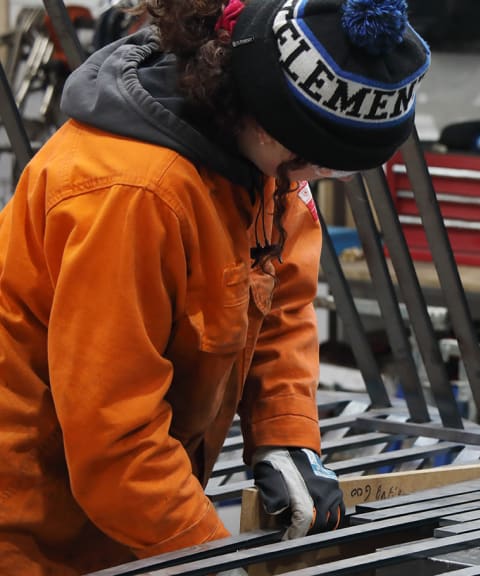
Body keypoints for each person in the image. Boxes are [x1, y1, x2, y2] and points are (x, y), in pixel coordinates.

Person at [0, 0, 429, 572]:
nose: (318, 181)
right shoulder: (132, 196)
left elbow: (279, 300)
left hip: (128, 517)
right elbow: (115, 439)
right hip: (32, 527)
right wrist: (211, 556)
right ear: (259, 113)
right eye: (319, 165)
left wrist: (285, 434)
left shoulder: (263, 166)